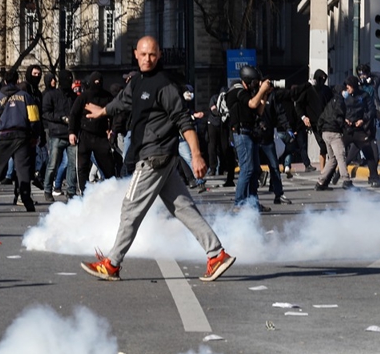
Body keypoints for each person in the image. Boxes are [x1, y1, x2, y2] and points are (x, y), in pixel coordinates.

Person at [80, 36, 235, 282]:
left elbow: (184, 120)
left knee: (130, 208)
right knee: (183, 208)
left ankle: (112, 264)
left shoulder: (165, 86)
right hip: (160, 157)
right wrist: (103, 111)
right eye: (143, 54)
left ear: (159, 54)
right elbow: (122, 102)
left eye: (152, 54)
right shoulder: (138, 82)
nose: (147, 59)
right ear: (135, 54)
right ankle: (216, 254)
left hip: (155, 157)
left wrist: (196, 155)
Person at [0, 69, 39, 212]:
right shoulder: (26, 97)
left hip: (4, 136)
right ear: (17, 80)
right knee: (22, 169)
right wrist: (34, 136)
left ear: (4, 81)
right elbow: (35, 120)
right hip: (21, 136)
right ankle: (27, 200)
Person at [226, 65, 273, 211]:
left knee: (254, 170)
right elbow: (253, 104)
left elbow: (259, 110)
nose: (255, 84)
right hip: (241, 133)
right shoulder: (237, 91)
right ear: (247, 80)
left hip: (250, 133)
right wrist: (261, 90)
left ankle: (253, 203)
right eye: (254, 82)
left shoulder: (247, 92)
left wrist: (265, 94)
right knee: (247, 169)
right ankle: (238, 203)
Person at [69, 71, 117, 193]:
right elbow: (74, 114)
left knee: (108, 166)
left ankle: (112, 191)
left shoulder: (107, 97)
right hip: (85, 135)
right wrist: (72, 132)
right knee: (82, 167)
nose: (97, 85)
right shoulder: (83, 97)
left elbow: (114, 115)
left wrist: (112, 130)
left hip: (101, 136)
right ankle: (83, 192)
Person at [41, 72, 77, 201]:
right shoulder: (51, 95)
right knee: (53, 164)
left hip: (69, 133)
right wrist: (61, 119)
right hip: (57, 133)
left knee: (72, 165)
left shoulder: (73, 96)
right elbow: (45, 113)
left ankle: (71, 190)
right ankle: (47, 189)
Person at [315, 76, 355, 190]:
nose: (347, 92)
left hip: (325, 132)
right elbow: (338, 116)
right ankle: (346, 180)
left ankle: (320, 182)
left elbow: (322, 118)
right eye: (345, 90)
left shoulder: (330, 102)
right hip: (334, 132)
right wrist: (344, 126)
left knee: (332, 159)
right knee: (341, 156)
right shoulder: (340, 102)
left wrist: (321, 130)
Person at [343, 71, 380, 187]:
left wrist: (363, 120)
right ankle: (331, 177)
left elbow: (371, 111)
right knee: (342, 154)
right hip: (350, 129)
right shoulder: (346, 97)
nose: (347, 88)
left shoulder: (366, 94)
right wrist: (345, 119)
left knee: (371, 154)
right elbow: (341, 110)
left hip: (364, 129)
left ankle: (374, 178)